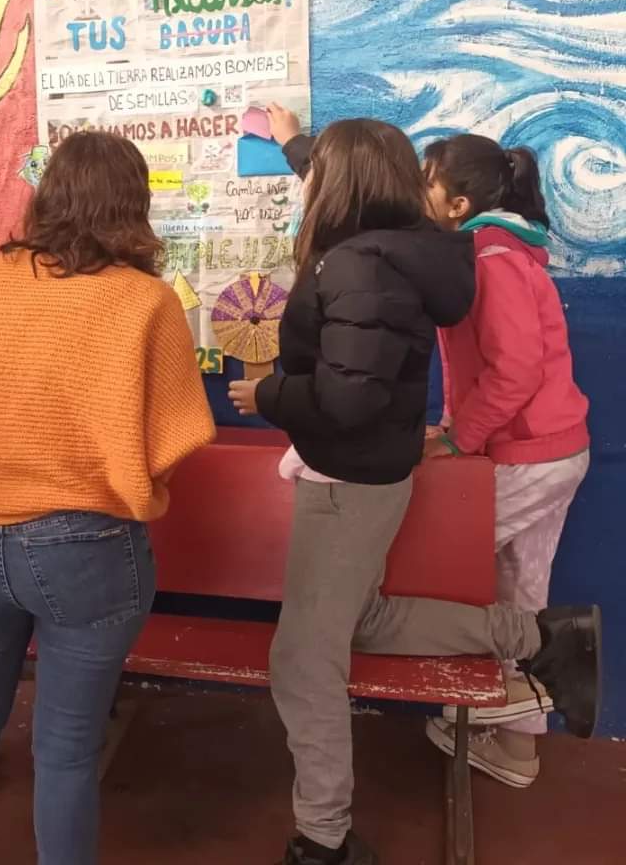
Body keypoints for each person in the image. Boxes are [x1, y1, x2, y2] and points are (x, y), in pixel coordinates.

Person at [229, 112, 601, 865]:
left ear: (340, 186)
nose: (310, 183)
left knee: (302, 663)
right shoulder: (401, 251)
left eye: (318, 173)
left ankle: (324, 838)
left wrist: (269, 395)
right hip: (363, 472)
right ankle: (538, 638)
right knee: (363, 619)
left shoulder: (361, 265)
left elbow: (350, 397)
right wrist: (299, 144)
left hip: (348, 479)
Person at [0, 130, 216, 865]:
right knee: (65, 745)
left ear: (49, 195)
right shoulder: (146, 301)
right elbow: (179, 436)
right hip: (84, 545)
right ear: (134, 203)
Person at [420, 134, 591, 787]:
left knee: (441, 568)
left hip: (531, 454)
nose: (418, 192)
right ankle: (517, 747)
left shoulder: (491, 257)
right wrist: (456, 428)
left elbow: (515, 370)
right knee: (521, 592)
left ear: (458, 202)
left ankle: (507, 697)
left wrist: (458, 439)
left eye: (427, 180)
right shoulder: (499, 250)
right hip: (550, 449)